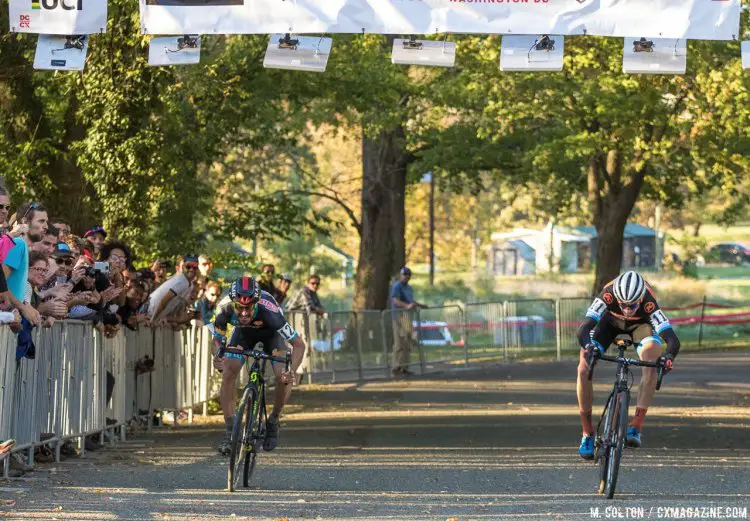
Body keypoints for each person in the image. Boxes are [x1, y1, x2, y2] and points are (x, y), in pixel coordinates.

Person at [576, 271, 679, 459]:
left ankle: (636, 427)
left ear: (640, 298)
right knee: (583, 367)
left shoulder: (649, 302)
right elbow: (584, 328)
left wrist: (668, 356)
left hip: (640, 326)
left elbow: (672, 339)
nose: (627, 309)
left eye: (632, 305)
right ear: (617, 297)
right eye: (623, 304)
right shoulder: (608, 294)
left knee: (651, 362)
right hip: (608, 323)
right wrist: (589, 346)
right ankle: (587, 432)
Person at [211, 276, 305, 456]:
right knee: (229, 370)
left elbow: (299, 344)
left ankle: (274, 420)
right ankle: (231, 431)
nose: (244, 313)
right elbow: (217, 341)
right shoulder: (223, 309)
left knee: (282, 376)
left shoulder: (271, 312)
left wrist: (291, 370)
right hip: (243, 334)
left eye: (249, 308)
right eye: (240, 308)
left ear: (256, 303)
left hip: (271, 335)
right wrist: (217, 356)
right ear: (233, 303)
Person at [389, 267, 427, 377]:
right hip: (399, 316)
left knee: (408, 342)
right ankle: (395, 367)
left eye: (408, 274)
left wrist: (420, 305)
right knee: (399, 342)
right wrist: (406, 306)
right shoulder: (397, 286)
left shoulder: (409, 288)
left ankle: (404, 367)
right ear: (401, 275)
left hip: (407, 317)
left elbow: (411, 301)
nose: (406, 276)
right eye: (404, 274)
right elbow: (395, 300)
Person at [147, 254, 198, 323]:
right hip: (147, 310)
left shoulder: (190, 285)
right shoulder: (182, 281)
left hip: (152, 313)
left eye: (194, 267)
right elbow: (164, 300)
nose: (191, 269)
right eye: (188, 266)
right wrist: (153, 320)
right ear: (183, 267)